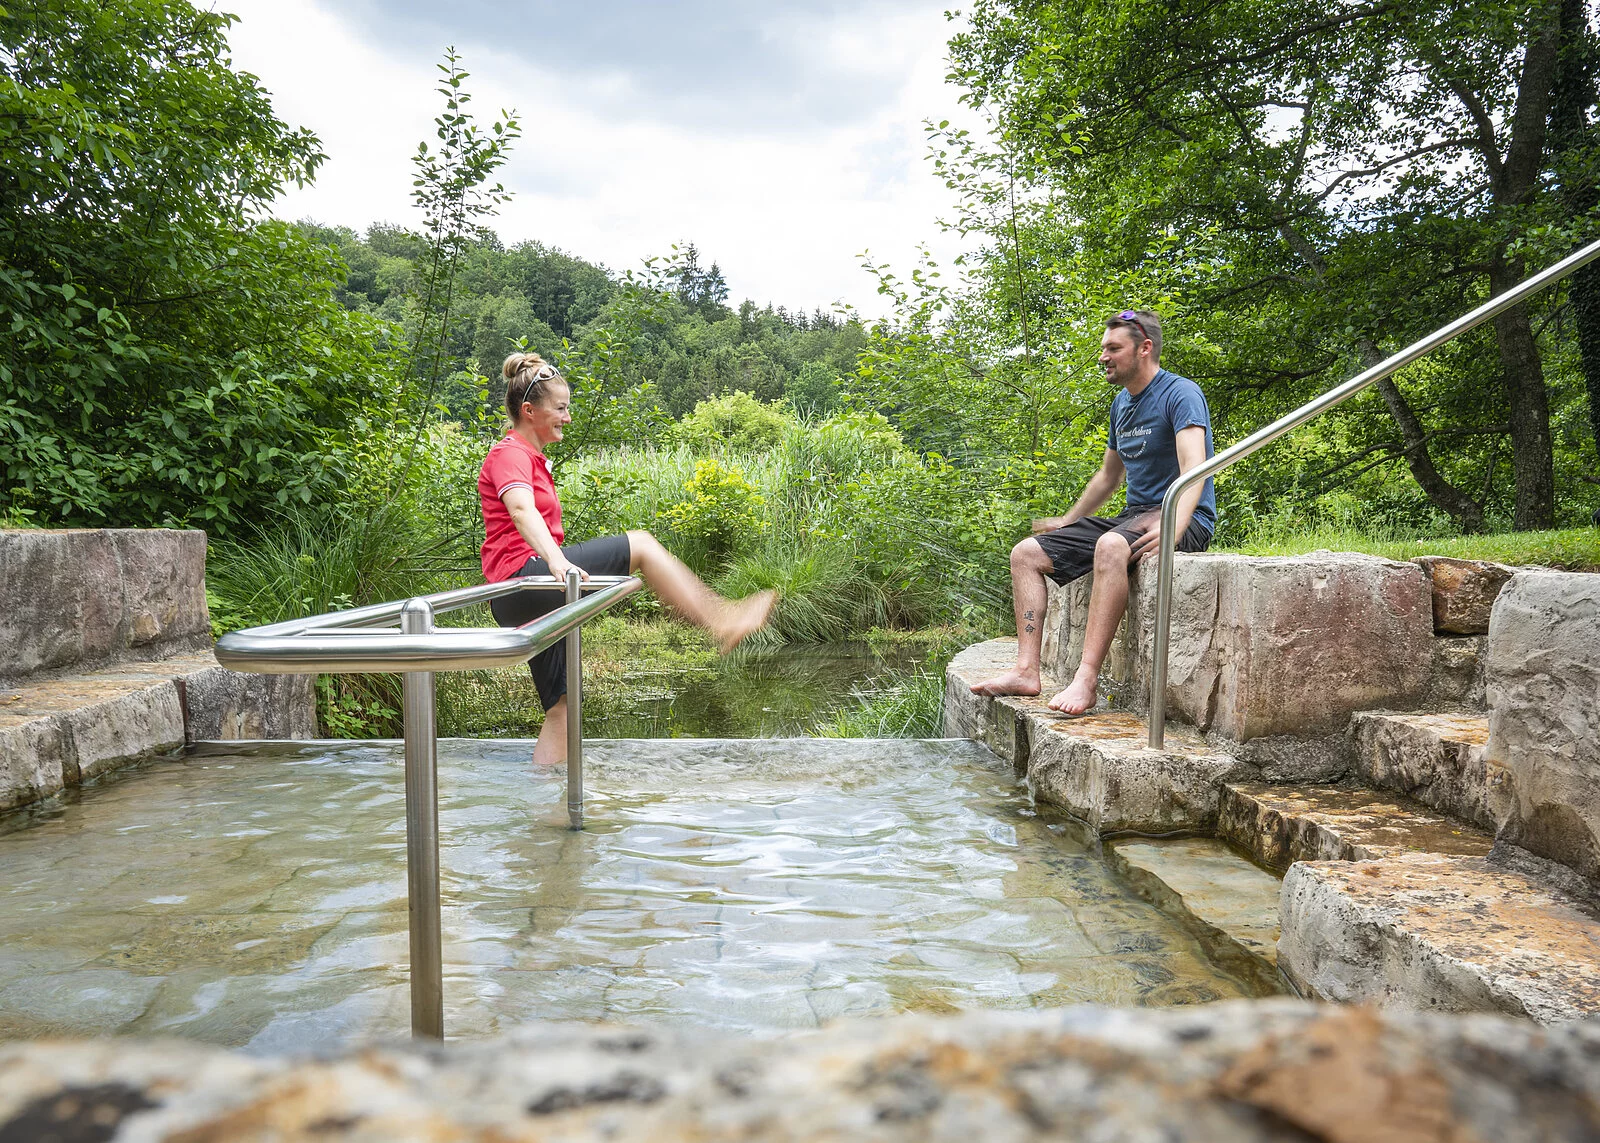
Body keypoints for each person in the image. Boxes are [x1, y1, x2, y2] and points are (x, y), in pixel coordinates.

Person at [480, 352, 775, 765]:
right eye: (560, 408)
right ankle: (721, 619)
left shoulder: (532, 459)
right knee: (641, 545)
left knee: (562, 706)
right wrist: (557, 562)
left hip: (527, 588)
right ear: (529, 411)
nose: (567, 417)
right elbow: (520, 510)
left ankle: (547, 798)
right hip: (523, 582)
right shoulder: (510, 453)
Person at [971, 310, 1216, 714]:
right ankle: (1026, 671)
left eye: (1113, 348)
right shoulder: (1122, 404)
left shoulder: (1180, 393)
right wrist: (1068, 520)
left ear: (1144, 348)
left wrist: (1176, 522)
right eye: (1104, 348)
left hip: (1184, 516)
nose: (1103, 356)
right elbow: (1108, 476)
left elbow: (1195, 466)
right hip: (1136, 514)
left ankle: (1086, 680)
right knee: (1025, 554)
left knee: (1110, 546)